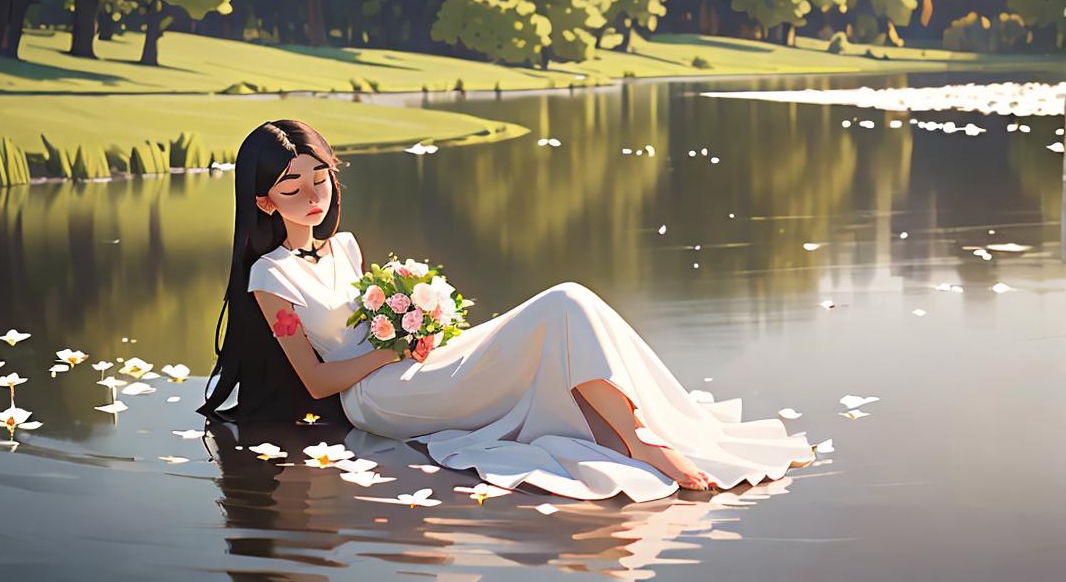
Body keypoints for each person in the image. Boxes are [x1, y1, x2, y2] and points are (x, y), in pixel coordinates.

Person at [199, 119, 815, 503]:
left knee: (568, 301)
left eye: (320, 178)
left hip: (412, 364)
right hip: (379, 399)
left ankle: (638, 432)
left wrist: (419, 324)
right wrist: (391, 349)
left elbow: (368, 322)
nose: (313, 196)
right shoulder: (269, 280)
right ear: (263, 200)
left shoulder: (348, 247)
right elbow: (315, 378)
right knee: (560, 304)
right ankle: (639, 440)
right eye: (292, 186)